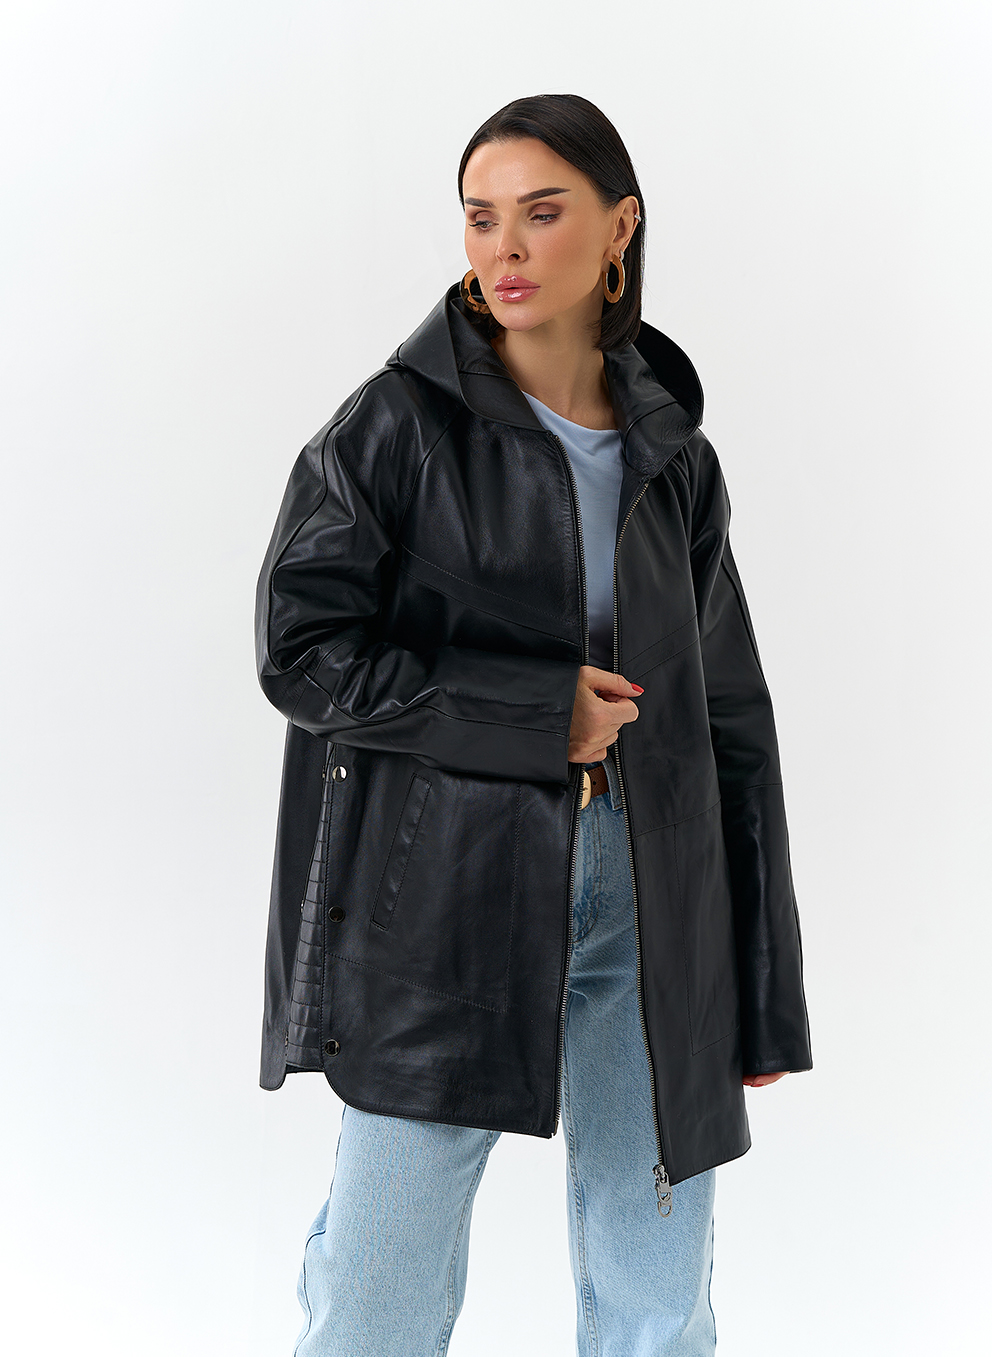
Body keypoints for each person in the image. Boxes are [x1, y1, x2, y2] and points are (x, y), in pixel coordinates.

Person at [254, 93, 812, 1357]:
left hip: (654, 887)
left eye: (541, 213)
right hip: (448, 891)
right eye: (480, 217)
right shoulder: (395, 425)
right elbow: (301, 651)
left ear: (618, 229)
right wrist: (525, 712)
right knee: (378, 1281)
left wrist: (758, 982)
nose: (502, 247)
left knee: (658, 1285)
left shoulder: (671, 449)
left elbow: (728, 708)